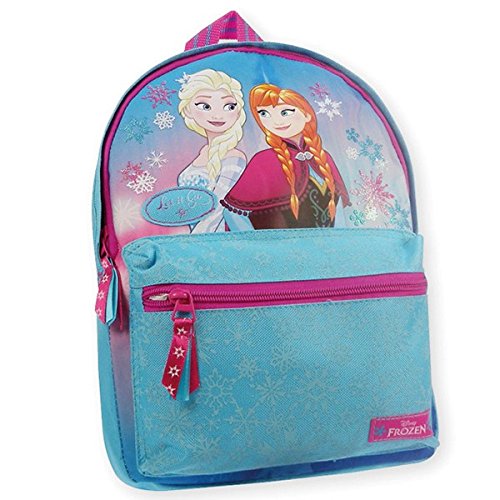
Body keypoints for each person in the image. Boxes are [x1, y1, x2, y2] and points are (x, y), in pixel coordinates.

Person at [221, 83, 350, 230]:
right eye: (264, 114)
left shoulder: (323, 157)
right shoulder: (263, 161)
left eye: (285, 112)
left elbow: (339, 210)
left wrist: (341, 239)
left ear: (307, 115)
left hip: (331, 243)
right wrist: (252, 242)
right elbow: (232, 213)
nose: (276, 121)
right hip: (277, 244)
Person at [177, 69, 247, 233]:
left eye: (229, 106)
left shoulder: (234, 158)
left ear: (238, 111)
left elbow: (219, 208)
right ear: (187, 110)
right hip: (197, 236)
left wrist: (194, 240)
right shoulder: (203, 152)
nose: (217, 115)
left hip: (218, 239)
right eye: (205, 106)